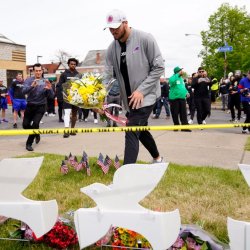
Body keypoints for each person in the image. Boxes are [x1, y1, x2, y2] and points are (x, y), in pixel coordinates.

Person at [104, 9, 164, 164]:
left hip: (147, 96)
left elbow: (159, 68)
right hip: (129, 100)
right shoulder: (112, 48)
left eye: (116, 27)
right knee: (140, 129)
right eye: (110, 28)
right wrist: (98, 100)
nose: (113, 31)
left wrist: (141, 91)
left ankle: (125, 174)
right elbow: (108, 76)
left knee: (131, 129)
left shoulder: (145, 39)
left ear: (125, 23)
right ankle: (158, 158)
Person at [22, 63, 54, 151]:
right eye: (36, 71)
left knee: (35, 124)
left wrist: (50, 88)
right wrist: (32, 86)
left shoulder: (45, 81)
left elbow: (51, 96)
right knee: (25, 125)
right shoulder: (28, 80)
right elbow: (23, 91)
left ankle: (29, 144)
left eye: (40, 70)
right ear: (33, 71)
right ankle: (37, 133)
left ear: (42, 71)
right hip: (30, 105)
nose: (38, 72)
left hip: (41, 106)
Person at [56, 58, 81, 138]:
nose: (73, 65)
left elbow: (82, 86)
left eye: (74, 64)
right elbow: (59, 85)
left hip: (76, 97)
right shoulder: (64, 74)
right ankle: (66, 131)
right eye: (71, 64)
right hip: (67, 97)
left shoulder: (79, 75)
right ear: (68, 64)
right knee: (67, 113)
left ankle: (72, 130)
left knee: (74, 114)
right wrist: (60, 97)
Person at [169, 67, 191, 132]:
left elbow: (182, 87)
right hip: (174, 99)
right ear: (177, 71)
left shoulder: (181, 79)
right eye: (181, 70)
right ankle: (176, 126)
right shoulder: (172, 77)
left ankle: (184, 127)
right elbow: (171, 82)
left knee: (183, 113)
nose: (182, 71)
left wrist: (186, 92)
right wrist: (177, 75)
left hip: (182, 98)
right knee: (175, 113)